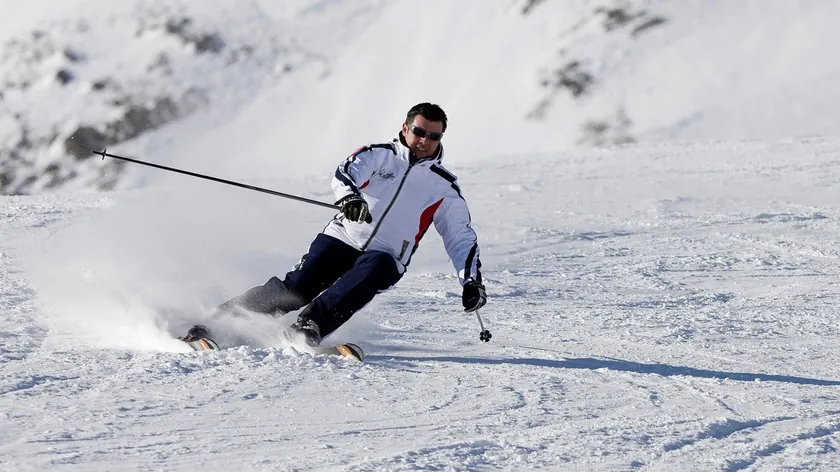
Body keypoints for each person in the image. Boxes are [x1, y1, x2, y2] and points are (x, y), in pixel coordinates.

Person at [182, 103, 486, 347]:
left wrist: (471, 282)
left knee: (373, 272)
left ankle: (311, 325)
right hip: (343, 236)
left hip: (387, 254)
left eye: (434, 136)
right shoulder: (380, 155)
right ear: (405, 128)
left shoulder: (442, 187)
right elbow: (345, 175)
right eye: (420, 132)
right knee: (298, 288)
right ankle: (220, 321)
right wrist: (350, 199)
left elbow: (460, 238)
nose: (425, 141)